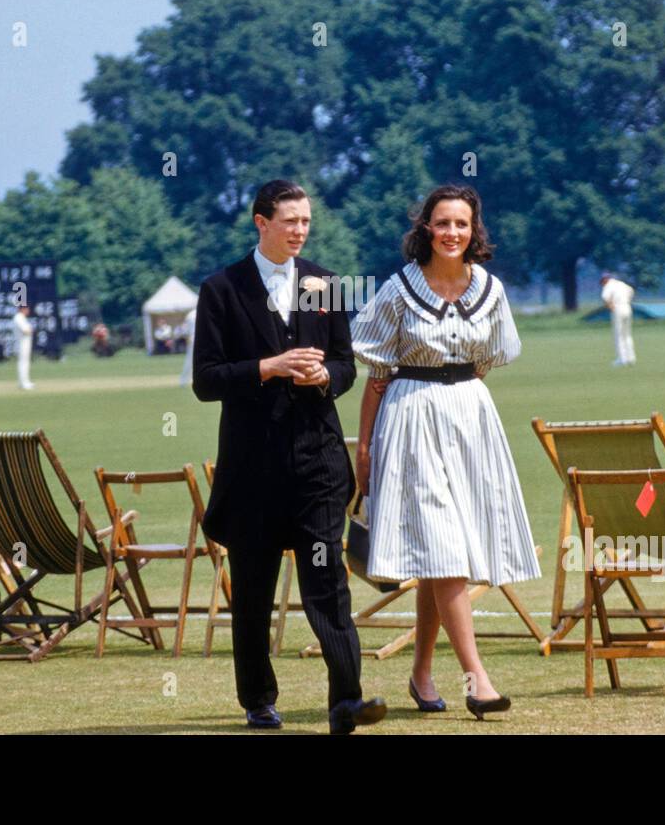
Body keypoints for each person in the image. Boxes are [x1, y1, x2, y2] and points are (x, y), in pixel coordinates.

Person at [193, 178, 385, 735]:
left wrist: (328, 375)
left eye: (306, 221)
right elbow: (206, 382)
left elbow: (349, 364)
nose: (301, 230)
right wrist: (268, 367)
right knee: (252, 590)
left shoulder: (324, 284)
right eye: (290, 221)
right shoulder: (222, 289)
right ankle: (258, 700)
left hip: (318, 462)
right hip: (252, 469)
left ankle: (345, 702)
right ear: (261, 222)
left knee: (328, 583)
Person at [351, 184, 540, 721]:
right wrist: (364, 448)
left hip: (470, 418)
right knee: (444, 547)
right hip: (410, 415)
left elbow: (486, 360)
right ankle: (476, 679)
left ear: (473, 230)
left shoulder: (490, 290)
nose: (451, 232)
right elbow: (377, 375)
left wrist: (457, 392)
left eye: (461, 223)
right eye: (442, 223)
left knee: (444, 554)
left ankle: (421, 673)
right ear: (425, 230)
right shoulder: (397, 290)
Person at [600, 272, 636, 366]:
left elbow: (604, 297)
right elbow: (631, 291)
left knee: (619, 335)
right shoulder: (621, 284)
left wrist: (610, 306)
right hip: (627, 307)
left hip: (618, 308)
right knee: (627, 334)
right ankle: (631, 358)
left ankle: (622, 359)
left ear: (605, 279)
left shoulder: (608, 285)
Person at [12, 305, 34, 390]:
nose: (28, 311)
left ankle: (25, 381)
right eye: (27, 309)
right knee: (23, 363)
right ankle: (23, 383)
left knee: (25, 362)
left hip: (25, 343)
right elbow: (26, 330)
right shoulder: (19, 318)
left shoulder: (21, 318)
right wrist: (30, 330)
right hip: (22, 343)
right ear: (22, 309)